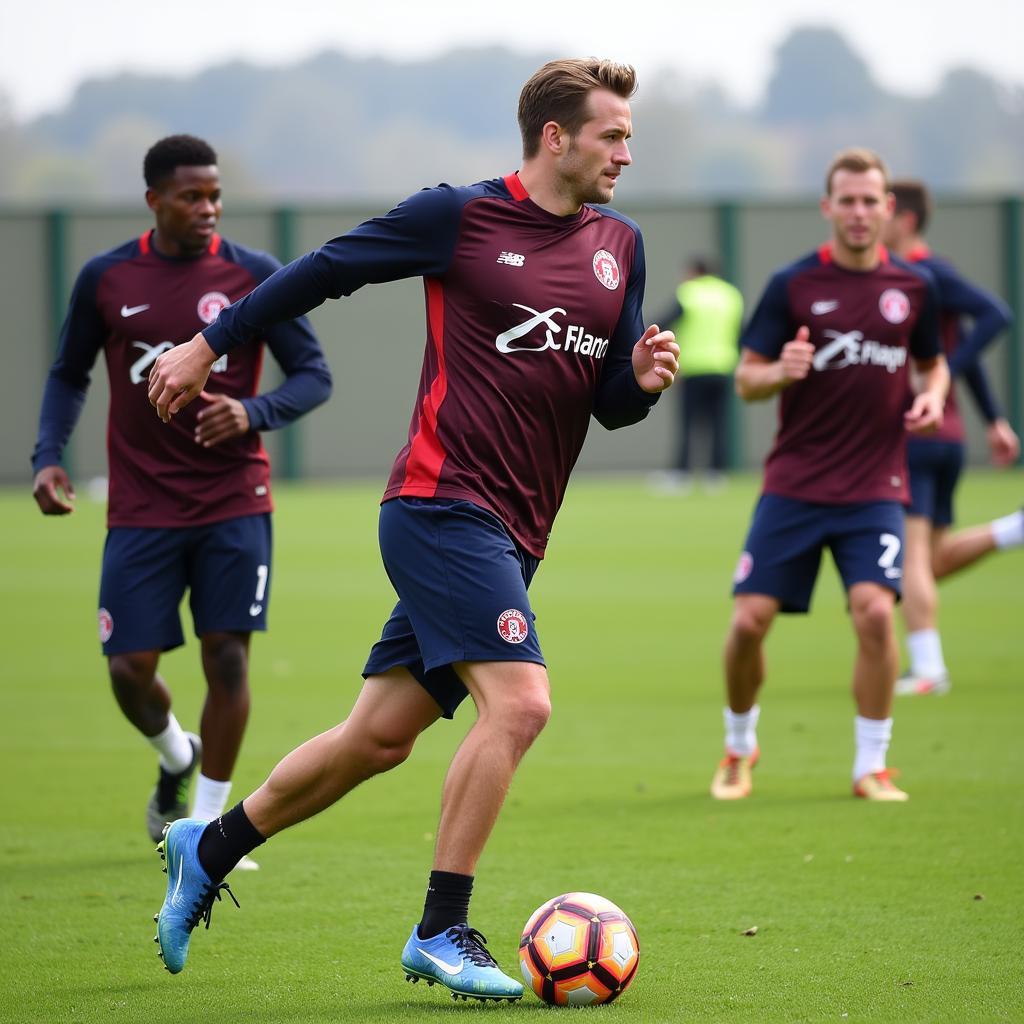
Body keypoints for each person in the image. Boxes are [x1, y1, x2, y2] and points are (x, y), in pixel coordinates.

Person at [144, 59, 679, 1000]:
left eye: (630, 136)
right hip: (440, 506)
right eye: (613, 135)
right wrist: (207, 344)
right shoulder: (459, 217)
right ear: (556, 137)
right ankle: (442, 927)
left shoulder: (620, 247)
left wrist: (637, 377)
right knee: (519, 705)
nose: (626, 153)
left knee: (378, 738)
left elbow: (608, 407)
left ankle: (209, 844)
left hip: (516, 531)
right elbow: (323, 271)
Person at [31, 135, 332, 867]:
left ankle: (205, 828)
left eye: (216, 194)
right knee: (128, 669)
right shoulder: (106, 278)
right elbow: (69, 374)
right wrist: (47, 458)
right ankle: (175, 755)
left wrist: (252, 412)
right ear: (154, 201)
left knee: (227, 658)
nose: (209, 208)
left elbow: (313, 375)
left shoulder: (254, 275)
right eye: (192, 196)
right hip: (140, 505)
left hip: (234, 499)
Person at [710, 148, 948, 804]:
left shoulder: (913, 290)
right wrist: (777, 372)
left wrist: (930, 396)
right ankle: (738, 746)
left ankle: (871, 766)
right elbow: (746, 378)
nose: (860, 212)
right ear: (828, 208)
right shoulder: (793, 286)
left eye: (871, 200)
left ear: (888, 210)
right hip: (794, 485)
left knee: (875, 613)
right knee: (747, 624)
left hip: (875, 488)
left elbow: (931, 364)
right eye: (847, 200)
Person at [883, 180, 1021, 695]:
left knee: (910, 559)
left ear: (907, 220)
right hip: (949, 435)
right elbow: (961, 343)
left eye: (885, 208)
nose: (875, 216)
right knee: (932, 561)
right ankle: (1014, 530)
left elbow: (994, 316)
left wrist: (939, 379)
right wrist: (994, 419)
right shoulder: (904, 276)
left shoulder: (924, 270)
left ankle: (927, 669)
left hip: (918, 430)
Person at [653, 257, 743, 491]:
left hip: (694, 367)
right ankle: (717, 475)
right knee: (719, 422)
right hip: (723, 367)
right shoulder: (730, 295)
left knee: (687, 423)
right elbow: (741, 331)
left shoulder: (689, 293)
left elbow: (663, 321)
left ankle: (680, 474)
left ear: (694, 272)